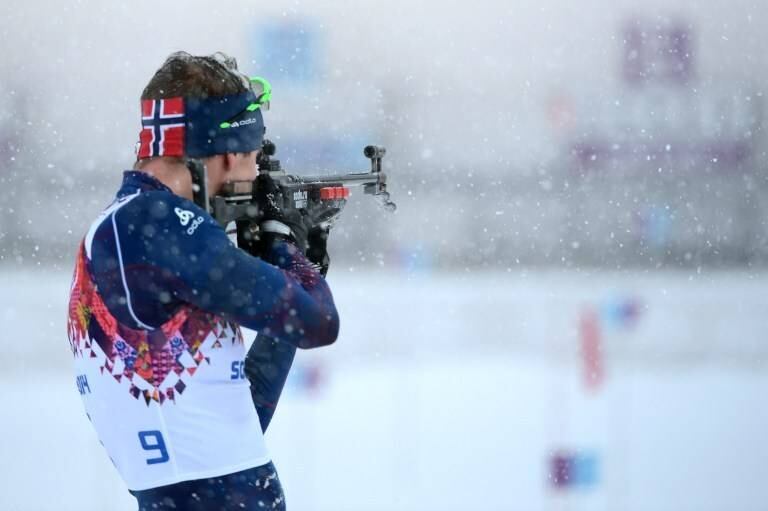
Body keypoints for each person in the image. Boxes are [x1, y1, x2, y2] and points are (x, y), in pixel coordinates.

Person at [66, 51, 339, 510]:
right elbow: (319, 323)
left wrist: (295, 268)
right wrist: (282, 246)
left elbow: (235, 422)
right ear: (229, 154)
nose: (255, 175)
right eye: (254, 158)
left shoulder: (128, 227)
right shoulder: (157, 222)